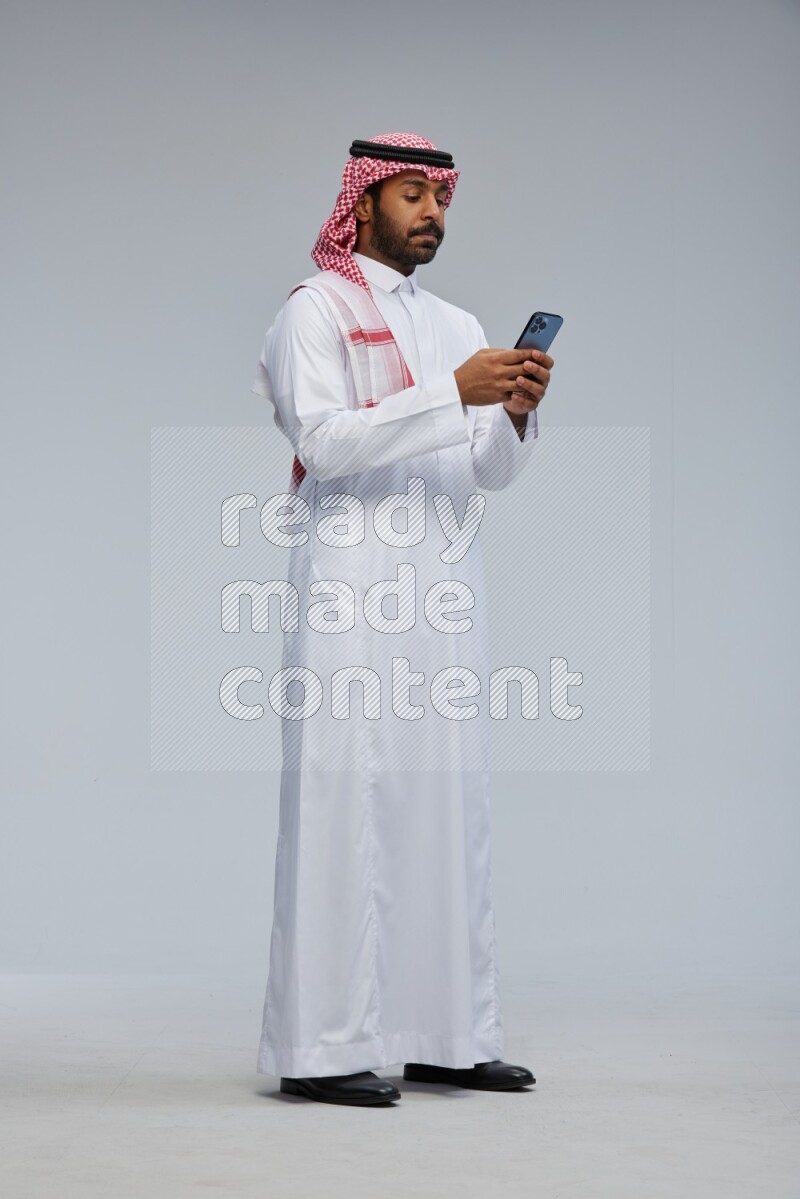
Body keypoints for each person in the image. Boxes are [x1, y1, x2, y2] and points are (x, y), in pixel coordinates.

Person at [250, 132, 554, 1106]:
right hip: (349, 588)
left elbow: (481, 471)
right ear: (364, 200)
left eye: (439, 197)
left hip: (439, 593)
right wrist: (450, 392)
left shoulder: (460, 322)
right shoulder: (313, 311)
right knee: (341, 809)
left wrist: (507, 413)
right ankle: (322, 1047)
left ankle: (448, 1033)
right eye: (411, 194)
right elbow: (327, 443)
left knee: (443, 809)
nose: (429, 212)